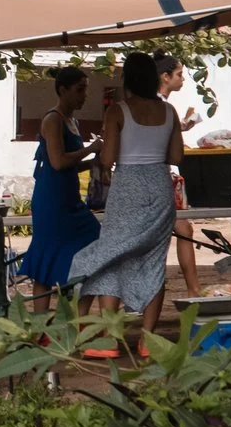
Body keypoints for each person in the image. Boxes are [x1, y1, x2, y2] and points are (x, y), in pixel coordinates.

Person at [63, 50, 183, 358]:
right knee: (154, 262)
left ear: (127, 78)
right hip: (160, 185)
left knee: (110, 257)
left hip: (127, 186)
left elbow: (107, 159)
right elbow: (176, 157)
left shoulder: (118, 111)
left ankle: (110, 340)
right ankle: (148, 341)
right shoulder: (170, 112)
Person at [12, 66, 100, 311]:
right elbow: (58, 161)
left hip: (69, 198)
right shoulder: (53, 119)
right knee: (45, 259)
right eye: (79, 89)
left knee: (96, 243)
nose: (84, 96)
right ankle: (41, 323)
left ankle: (77, 314)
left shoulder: (73, 121)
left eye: (86, 90)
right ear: (63, 90)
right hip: (52, 200)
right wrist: (90, 150)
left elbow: (69, 165)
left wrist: (93, 163)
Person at [153, 54, 205, 298]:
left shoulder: (158, 105)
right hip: (159, 177)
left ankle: (193, 288)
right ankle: (192, 289)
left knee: (183, 229)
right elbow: (173, 152)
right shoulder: (162, 106)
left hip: (157, 176)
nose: (182, 79)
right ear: (165, 77)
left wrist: (182, 126)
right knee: (179, 230)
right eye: (179, 74)